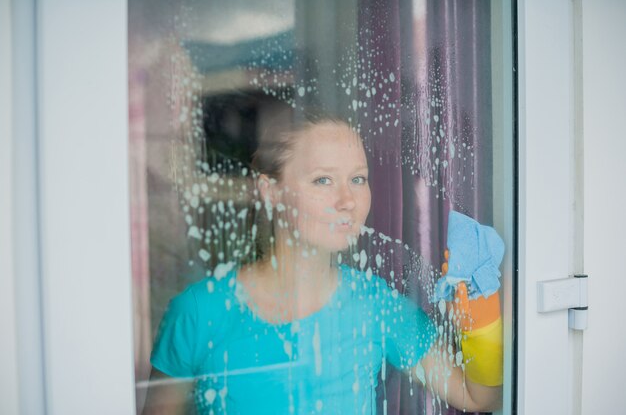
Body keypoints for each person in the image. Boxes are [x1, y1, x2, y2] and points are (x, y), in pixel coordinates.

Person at [142, 117, 502, 414]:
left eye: (357, 179)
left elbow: (478, 397)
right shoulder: (197, 312)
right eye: (323, 180)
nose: (347, 200)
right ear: (270, 192)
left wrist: (483, 318)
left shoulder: (377, 305)